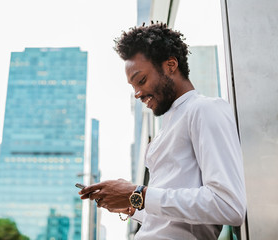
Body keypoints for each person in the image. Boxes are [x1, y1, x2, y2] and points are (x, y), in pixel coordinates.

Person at [79, 22, 246, 239]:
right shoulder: (168, 127)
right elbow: (172, 216)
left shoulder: (204, 110)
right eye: (133, 87)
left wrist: (137, 194)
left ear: (170, 65)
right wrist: (133, 206)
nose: (137, 93)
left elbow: (228, 206)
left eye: (141, 80)